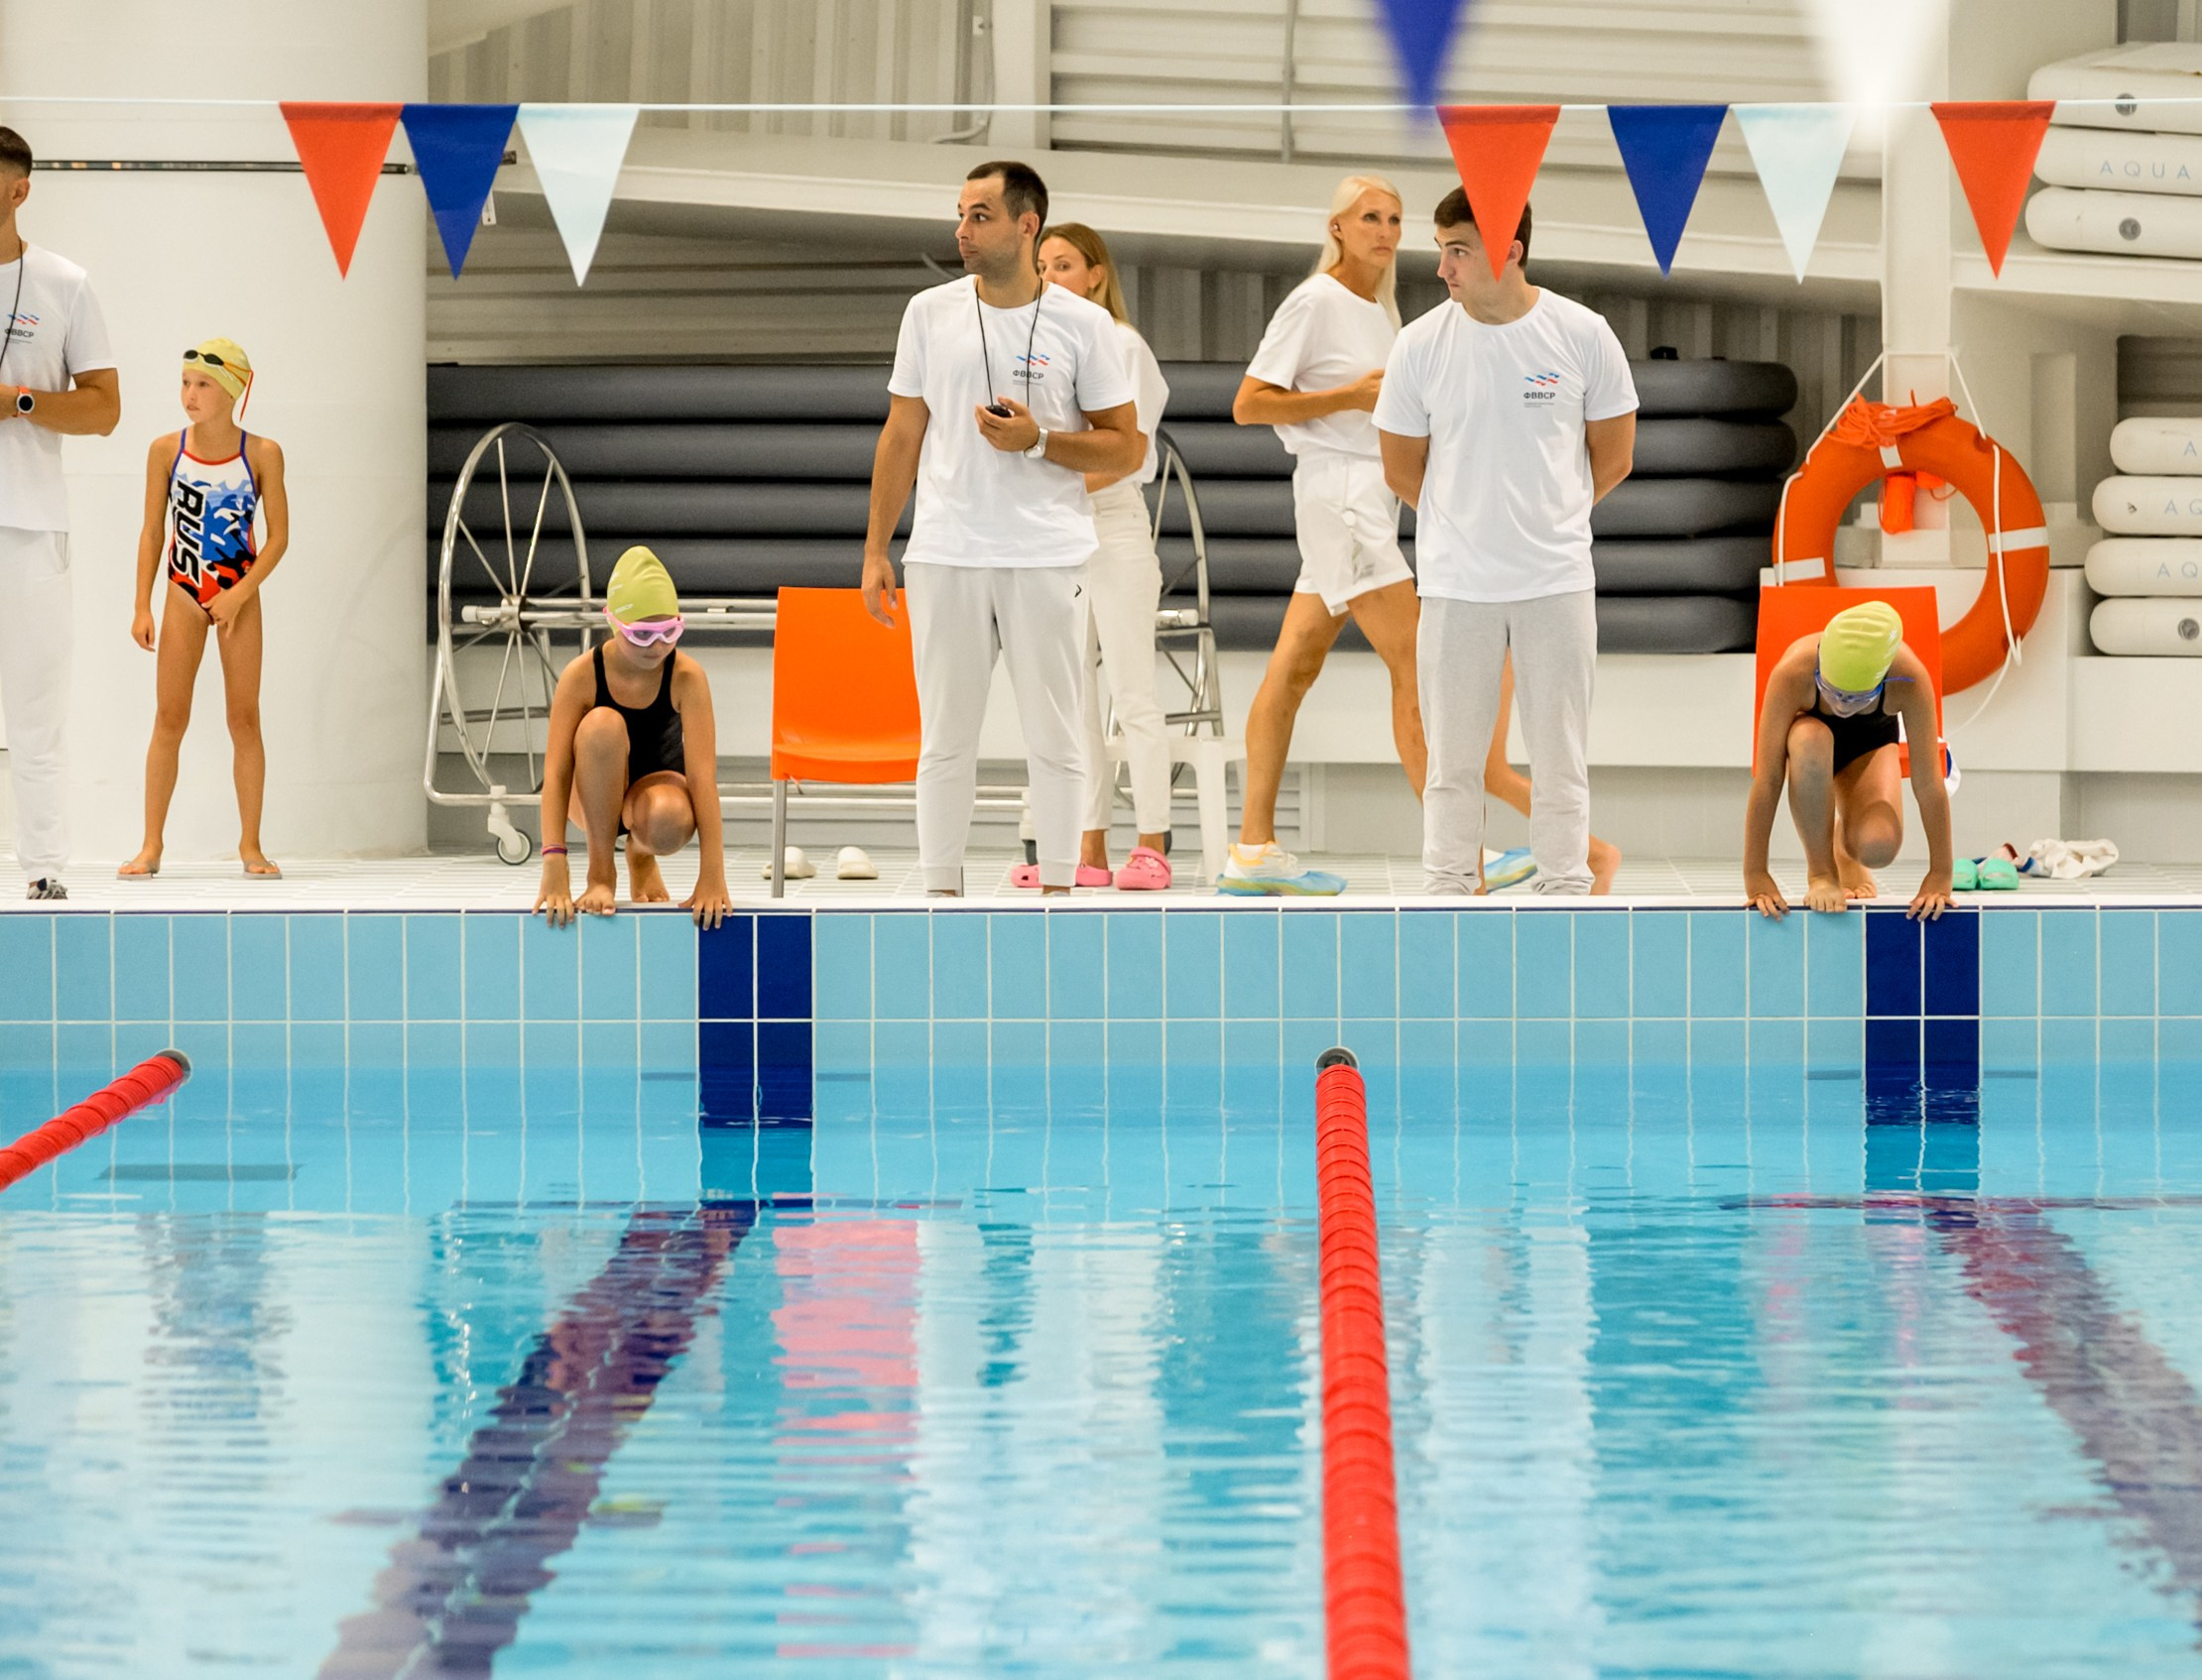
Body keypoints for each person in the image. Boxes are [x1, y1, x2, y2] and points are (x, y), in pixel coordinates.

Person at [861, 161, 1143, 897]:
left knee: (1056, 735)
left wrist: (1042, 442)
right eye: (959, 213)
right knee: (945, 740)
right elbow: (901, 434)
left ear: (1027, 225)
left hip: (1048, 555)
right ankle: (940, 888)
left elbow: (1127, 445)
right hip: (946, 551)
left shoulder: (1085, 326)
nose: (961, 230)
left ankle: (1057, 887)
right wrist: (875, 548)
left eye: (980, 215)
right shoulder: (929, 311)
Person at [1376, 192, 1637, 896]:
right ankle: (1447, 894)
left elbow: (1613, 459)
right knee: (1452, 764)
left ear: (1509, 252)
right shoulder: (1420, 346)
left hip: (1555, 580)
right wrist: (1468, 524)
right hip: (1457, 584)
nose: (1441, 268)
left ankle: (1564, 892)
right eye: (1441, 248)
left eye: (1457, 250)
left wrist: (1548, 523)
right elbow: (1401, 469)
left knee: (1561, 760)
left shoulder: (1582, 334)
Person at [1220, 175, 1418, 897]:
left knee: (1293, 668)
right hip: (1340, 496)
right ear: (1337, 227)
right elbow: (1249, 403)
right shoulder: (1316, 300)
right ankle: (1457, 844)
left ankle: (1252, 847)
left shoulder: (1381, 311)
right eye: (1370, 216)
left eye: (1395, 218)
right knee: (1420, 663)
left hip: (1368, 496)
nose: (1386, 230)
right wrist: (1350, 396)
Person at [0, 126, 121, 900]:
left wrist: (20, 400)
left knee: (35, 705)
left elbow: (106, 409)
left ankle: (43, 867)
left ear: (19, 189)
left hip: (30, 522)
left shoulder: (63, 283)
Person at [119, 339, 290, 879]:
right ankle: (150, 845)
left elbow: (279, 538)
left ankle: (251, 845)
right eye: (185, 383)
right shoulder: (166, 450)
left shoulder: (262, 453)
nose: (189, 394)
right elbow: (152, 531)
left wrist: (239, 595)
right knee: (169, 718)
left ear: (234, 391)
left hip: (239, 594)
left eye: (202, 385)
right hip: (182, 594)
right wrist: (141, 605)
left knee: (244, 719)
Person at [1038, 220, 1173, 891]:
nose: (1049, 277)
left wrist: (1039, 483)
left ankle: (1152, 842)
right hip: (1060, 534)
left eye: (1063, 265)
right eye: (1041, 266)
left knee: (1132, 692)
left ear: (1096, 273)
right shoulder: (1044, 351)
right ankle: (1086, 848)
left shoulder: (1121, 346)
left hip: (1113, 528)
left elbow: (1128, 453)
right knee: (1071, 700)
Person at [534, 545, 731, 928]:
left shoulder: (686, 678)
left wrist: (712, 874)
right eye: (641, 634)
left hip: (654, 794)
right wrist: (554, 860)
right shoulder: (582, 675)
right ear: (613, 623)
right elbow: (556, 773)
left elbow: (704, 779)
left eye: (668, 632)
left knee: (671, 816)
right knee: (601, 725)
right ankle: (601, 873)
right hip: (587, 795)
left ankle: (640, 854)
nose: (657, 647)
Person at [1744, 600, 1954, 920]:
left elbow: (1928, 783)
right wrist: (1756, 874)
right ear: (1819, 671)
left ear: (1883, 680)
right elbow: (1769, 778)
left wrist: (1940, 873)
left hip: (1869, 747)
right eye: (1831, 692)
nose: (1841, 706)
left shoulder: (1909, 679)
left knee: (1879, 846)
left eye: (1856, 698)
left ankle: (1845, 848)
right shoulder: (1792, 672)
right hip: (1809, 747)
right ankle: (1822, 872)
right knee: (1812, 741)